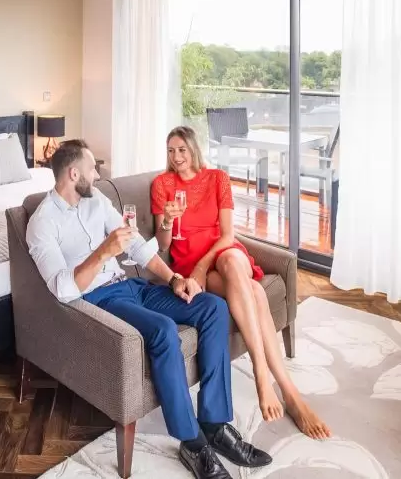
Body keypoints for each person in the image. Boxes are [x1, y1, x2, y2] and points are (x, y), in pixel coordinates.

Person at [27, 140, 272, 479]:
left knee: (213, 307)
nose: (97, 175)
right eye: (92, 168)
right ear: (73, 173)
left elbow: (139, 248)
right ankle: (193, 443)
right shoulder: (42, 224)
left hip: (133, 286)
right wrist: (102, 253)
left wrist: (174, 279)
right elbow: (62, 290)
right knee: (162, 330)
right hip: (100, 300)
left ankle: (214, 424)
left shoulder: (95, 200)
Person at [150, 126, 331, 441]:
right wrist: (166, 218)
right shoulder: (162, 184)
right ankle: (290, 393)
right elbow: (164, 244)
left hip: (222, 254)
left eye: (181, 150)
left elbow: (228, 236)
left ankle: (262, 375)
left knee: (234, 262)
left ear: (193, 149)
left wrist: (203, 268)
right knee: (256, 292)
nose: (176, 157)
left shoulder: (216, 179)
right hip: (187, 264)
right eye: (170, 151)